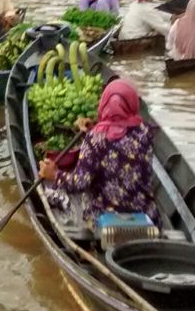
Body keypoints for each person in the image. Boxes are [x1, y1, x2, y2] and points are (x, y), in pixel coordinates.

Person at [39, 80, 157, 226]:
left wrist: (54, 174)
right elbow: (119, 142)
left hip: (104, 217)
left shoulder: (95, 139)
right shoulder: (146, 132)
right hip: (146, 213)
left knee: (56, 190)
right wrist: (92, 130)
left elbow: (80, 183)